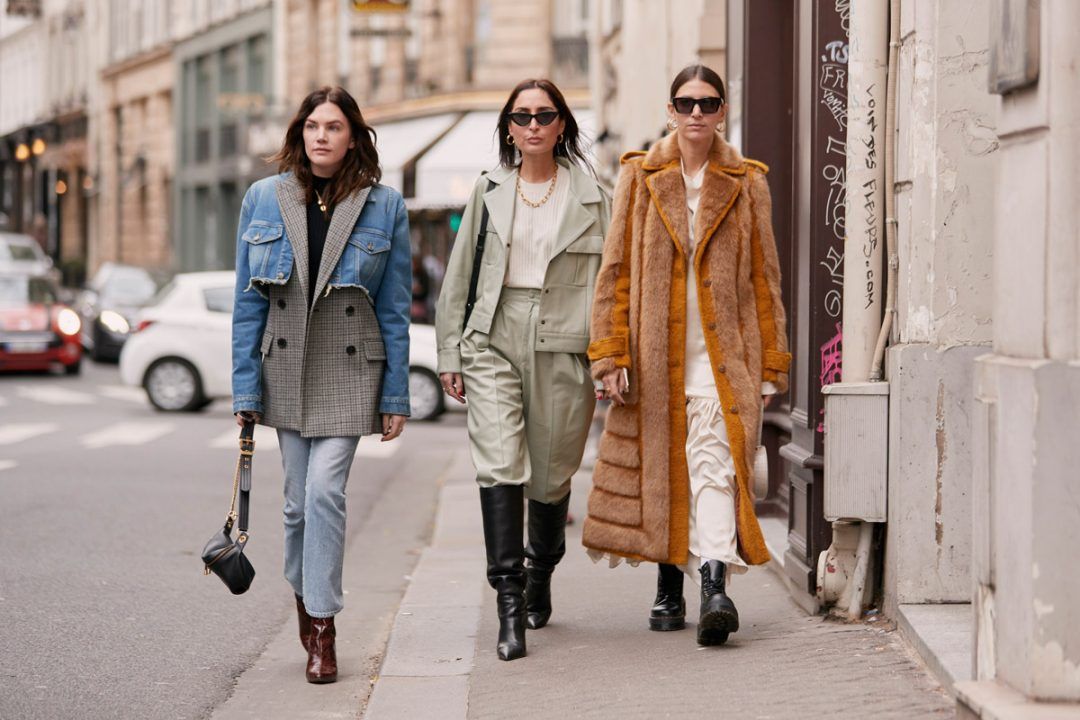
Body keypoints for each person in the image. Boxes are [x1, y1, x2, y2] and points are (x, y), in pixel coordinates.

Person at [585, 64, 791, 646]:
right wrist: (611, 353)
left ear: (723, 110)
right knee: (665, 467)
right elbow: (615, 273)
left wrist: (771, 361)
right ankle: (668, 585)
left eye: (708, 103)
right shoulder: (640, 177)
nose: (696, 113)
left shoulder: (748, 183)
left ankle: (713, 586)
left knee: (713, 467)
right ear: (671, 110)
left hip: (725, 358)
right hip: (655, 356)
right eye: (686, 103)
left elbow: (764, 281)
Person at [231, 86, 412, 682]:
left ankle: (324, 627)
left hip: (349, 366)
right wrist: (245, 391)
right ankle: (305, 602)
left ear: (353, 135)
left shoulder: (383, 204)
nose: (321, 136)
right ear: (300, 133)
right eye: (312, 125)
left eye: (334, 126)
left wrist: (395, 396)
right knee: (293, 505)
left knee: (323, 494)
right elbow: (245, 305)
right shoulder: (264, 197)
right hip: (284, 365)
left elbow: (395, 306)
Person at [435, 79, 611, 661]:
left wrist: (612, 355)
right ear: (508, 128)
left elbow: (613, 289)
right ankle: (509, 604)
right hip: (493, 334)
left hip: (567, 342)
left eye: (545, 114)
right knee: (500, 464)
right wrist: (450, 353)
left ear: (562, 123)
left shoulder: (595, 197)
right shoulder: (488, 192)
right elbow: (459, 277)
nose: (533, 124)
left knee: (552, 476)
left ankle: (542, 571)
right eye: (521, 116)